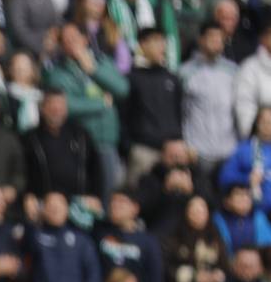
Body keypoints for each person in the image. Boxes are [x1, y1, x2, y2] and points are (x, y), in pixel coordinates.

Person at [44, 23, 130, 197]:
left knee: (111, 192)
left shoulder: (101, 62)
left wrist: (93, 71)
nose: (70, 44)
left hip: (107, 141)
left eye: (74, 39)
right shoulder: (58, 73)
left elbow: (122, 89)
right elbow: (66, 105)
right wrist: (102, 103)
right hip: (80, 144)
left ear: (85, 39)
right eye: (65, 41)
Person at [22, 90, 105, 214]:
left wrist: (96, 197)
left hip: (80, 203)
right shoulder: (30, 138)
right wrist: (27, 195)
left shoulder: (81, 135)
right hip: (44, 203)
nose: (56, 110)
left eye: (60, 106)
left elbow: (96, 170)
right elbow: (23, 172)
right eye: (51, 105)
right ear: (42, 108)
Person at [124, 28, 184, 187]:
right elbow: (125, 115)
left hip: (173, 152)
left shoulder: (172, 78)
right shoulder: (131, 78)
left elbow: (179, 113)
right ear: (142, 44)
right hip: (144, 152)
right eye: (156, 41)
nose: (161, 46)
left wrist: (178, 140)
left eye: (162, 41)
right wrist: (129, 147)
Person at [180, 21, 239, 174]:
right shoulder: (185, 72)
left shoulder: (233, 71)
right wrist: (186, 143)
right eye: (211, 37)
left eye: (220, 38)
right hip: (198, 150)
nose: (216, 41)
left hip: (228, 149)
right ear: (201, 40)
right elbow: (180, 111)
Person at [96, 190, 165, 282]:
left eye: (121, 202)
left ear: (135, 208)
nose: (115, 205)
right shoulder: (99, 232)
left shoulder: (148, 241)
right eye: (113, 202)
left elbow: (155, 278)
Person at [163, 195, 229, 282]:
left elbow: (224, 265)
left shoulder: (215, 237)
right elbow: (168, 268)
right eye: (194, 211)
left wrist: (215, 276)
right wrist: (194, 277)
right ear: (186, 212)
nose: (198, 214)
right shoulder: (175, 237)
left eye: (201, 211)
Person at [219, 107, 271, 216]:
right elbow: (224, 177)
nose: (268, 125)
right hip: (253, 214)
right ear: (257, 123)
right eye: (264, 121)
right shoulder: (245, 149)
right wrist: (247, 178)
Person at [234, 22, 271, 137]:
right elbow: (244, 105)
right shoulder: (250, 67)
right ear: (263, 39)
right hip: (259, 141)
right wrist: (254, 133)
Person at [213, 183, 271, 252]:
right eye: (239, 194)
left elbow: (267, 246)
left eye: (247, 194)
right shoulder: (218, 221)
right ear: (227, 201)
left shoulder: (259, 218)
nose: (245, 198)